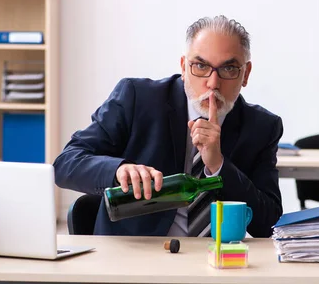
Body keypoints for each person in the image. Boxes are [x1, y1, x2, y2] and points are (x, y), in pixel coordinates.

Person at [54, 15, 283, 237]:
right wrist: (118, 169)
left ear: (246, 74)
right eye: (200, 66)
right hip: (136, 258)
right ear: (184, 67)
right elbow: (66, 164)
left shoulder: (262, 127)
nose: (213, 83)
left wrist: (219, 164)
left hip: (216, 263)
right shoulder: (137, 98)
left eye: (229, 69)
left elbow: (269, 224)